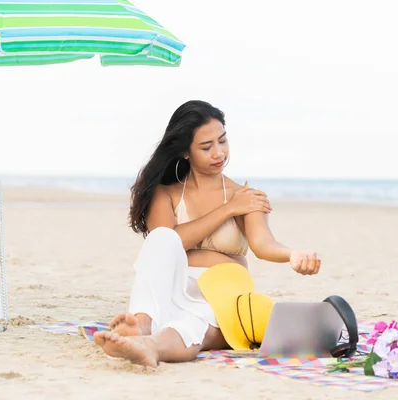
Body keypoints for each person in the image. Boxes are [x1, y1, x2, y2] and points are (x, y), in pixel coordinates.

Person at [93, 100, 321, 367]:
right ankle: (142, 325)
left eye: (222, 141)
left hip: (223, 291)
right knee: (162, 237)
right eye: (206, 147)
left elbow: (263, 244)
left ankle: (149, 345)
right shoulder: (166, 193)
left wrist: (292, 254)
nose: (219, 153)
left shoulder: (245, 196)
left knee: (193, 323)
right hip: (173, 286)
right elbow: (172, 243)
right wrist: (227, 210)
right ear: (185, 152)